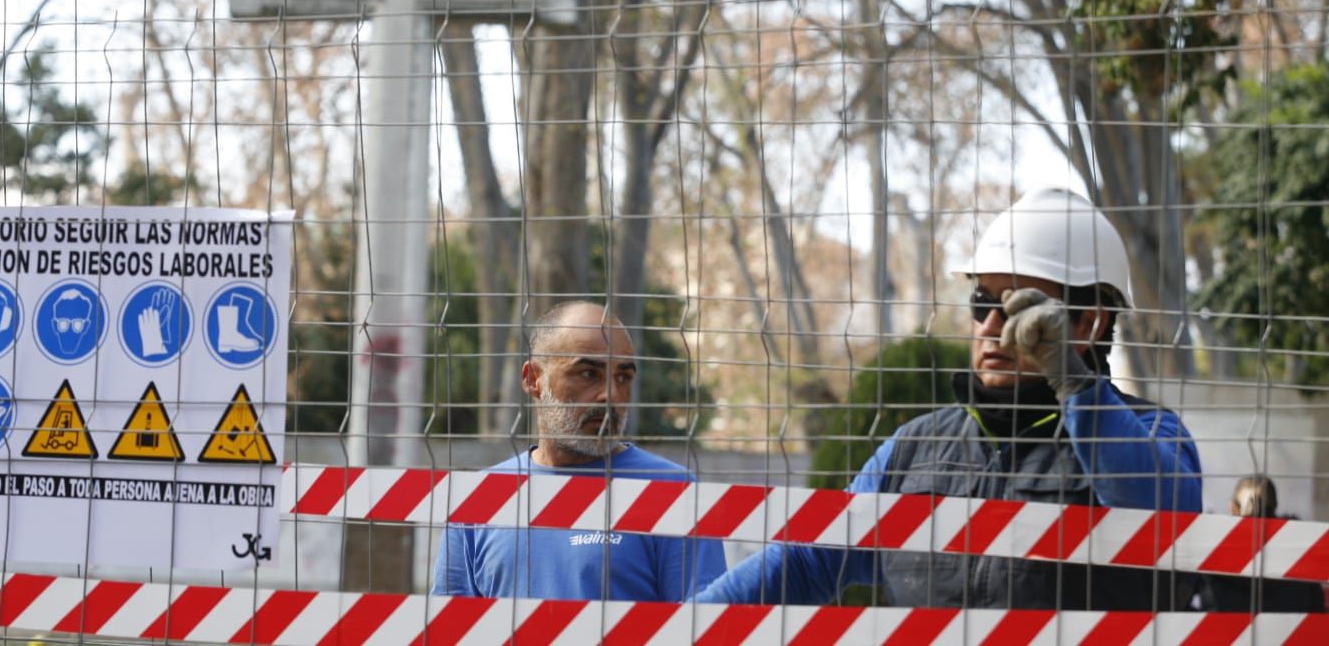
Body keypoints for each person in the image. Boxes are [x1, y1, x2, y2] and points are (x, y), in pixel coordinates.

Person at [697, 186, 1203, 610]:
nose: (989, 325)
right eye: (981, 302)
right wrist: (678, 628)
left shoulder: (1153, 434)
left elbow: (1168, 521)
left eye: (1017, 308)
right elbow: (807, 559)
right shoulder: (912, 449)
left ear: (1089, 323)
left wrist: (1072, 383)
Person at [431, 300, 726, 600]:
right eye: (588, 374)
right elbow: (445, 631)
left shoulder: (673, 491)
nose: (609, 395)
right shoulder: (477, 500)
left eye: (623, 377)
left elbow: (702, 630)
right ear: (533, 379)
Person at [1199, 475, 1326, 612]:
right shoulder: (1299, 543)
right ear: (1275, 506)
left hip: (1222, 631)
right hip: (1291, 630)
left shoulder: (1215, 548)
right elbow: (1316, 603)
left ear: (1233, 508)